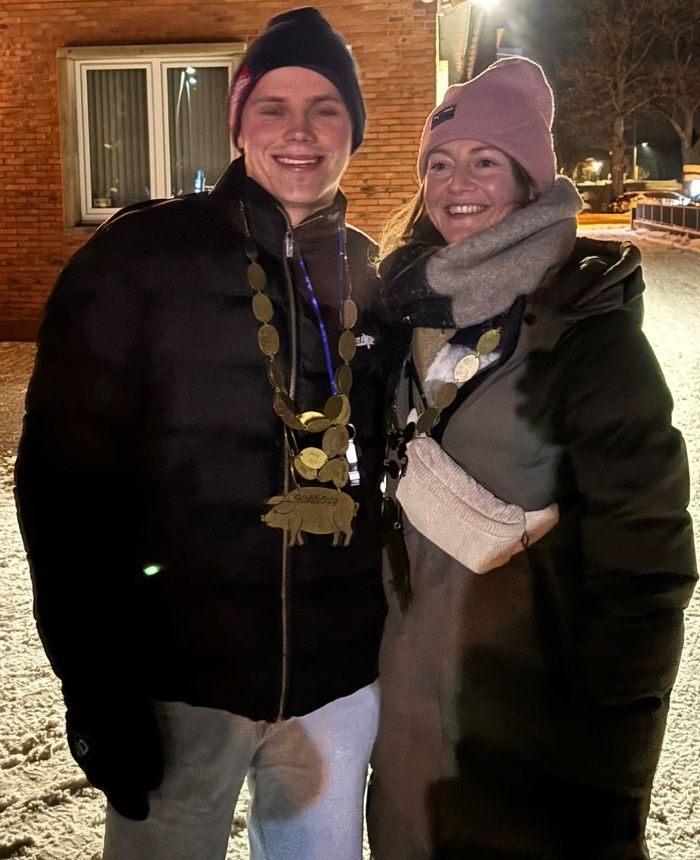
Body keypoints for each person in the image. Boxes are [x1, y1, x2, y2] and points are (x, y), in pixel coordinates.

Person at [15, 8, 396, 859]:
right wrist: (95, 683)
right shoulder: (138, 260)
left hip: (337, 684)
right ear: (238, 123)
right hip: (180, 683)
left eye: (326, 108)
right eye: (273, 107)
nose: (300, 132)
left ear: (354, 129)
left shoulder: (377, 274)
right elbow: (62, 487)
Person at [367, 57, 697, 860]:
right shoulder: (401, 313)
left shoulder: (586, 337)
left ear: (527, 179)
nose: (457, 184)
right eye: (440, 163)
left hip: (530, 751)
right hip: (407, 739)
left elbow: (646, 574)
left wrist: (614, 783)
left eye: (485, 161)